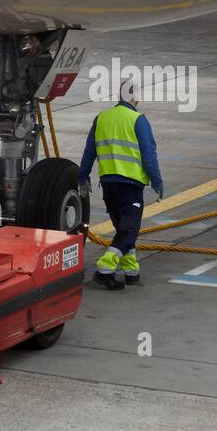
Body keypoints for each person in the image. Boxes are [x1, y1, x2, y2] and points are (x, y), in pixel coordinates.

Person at [78, 78, 164, 290]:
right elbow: (149, 155)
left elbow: (89, 151)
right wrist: (157, 181)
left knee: (123, 229)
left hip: (108, 184)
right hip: (130, 185)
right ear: (135, 97)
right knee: (129, 230)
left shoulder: (102, 118)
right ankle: (105, 268)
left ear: (119, 95)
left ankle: (131, 270)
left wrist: (83, 176)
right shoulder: (138, 119)